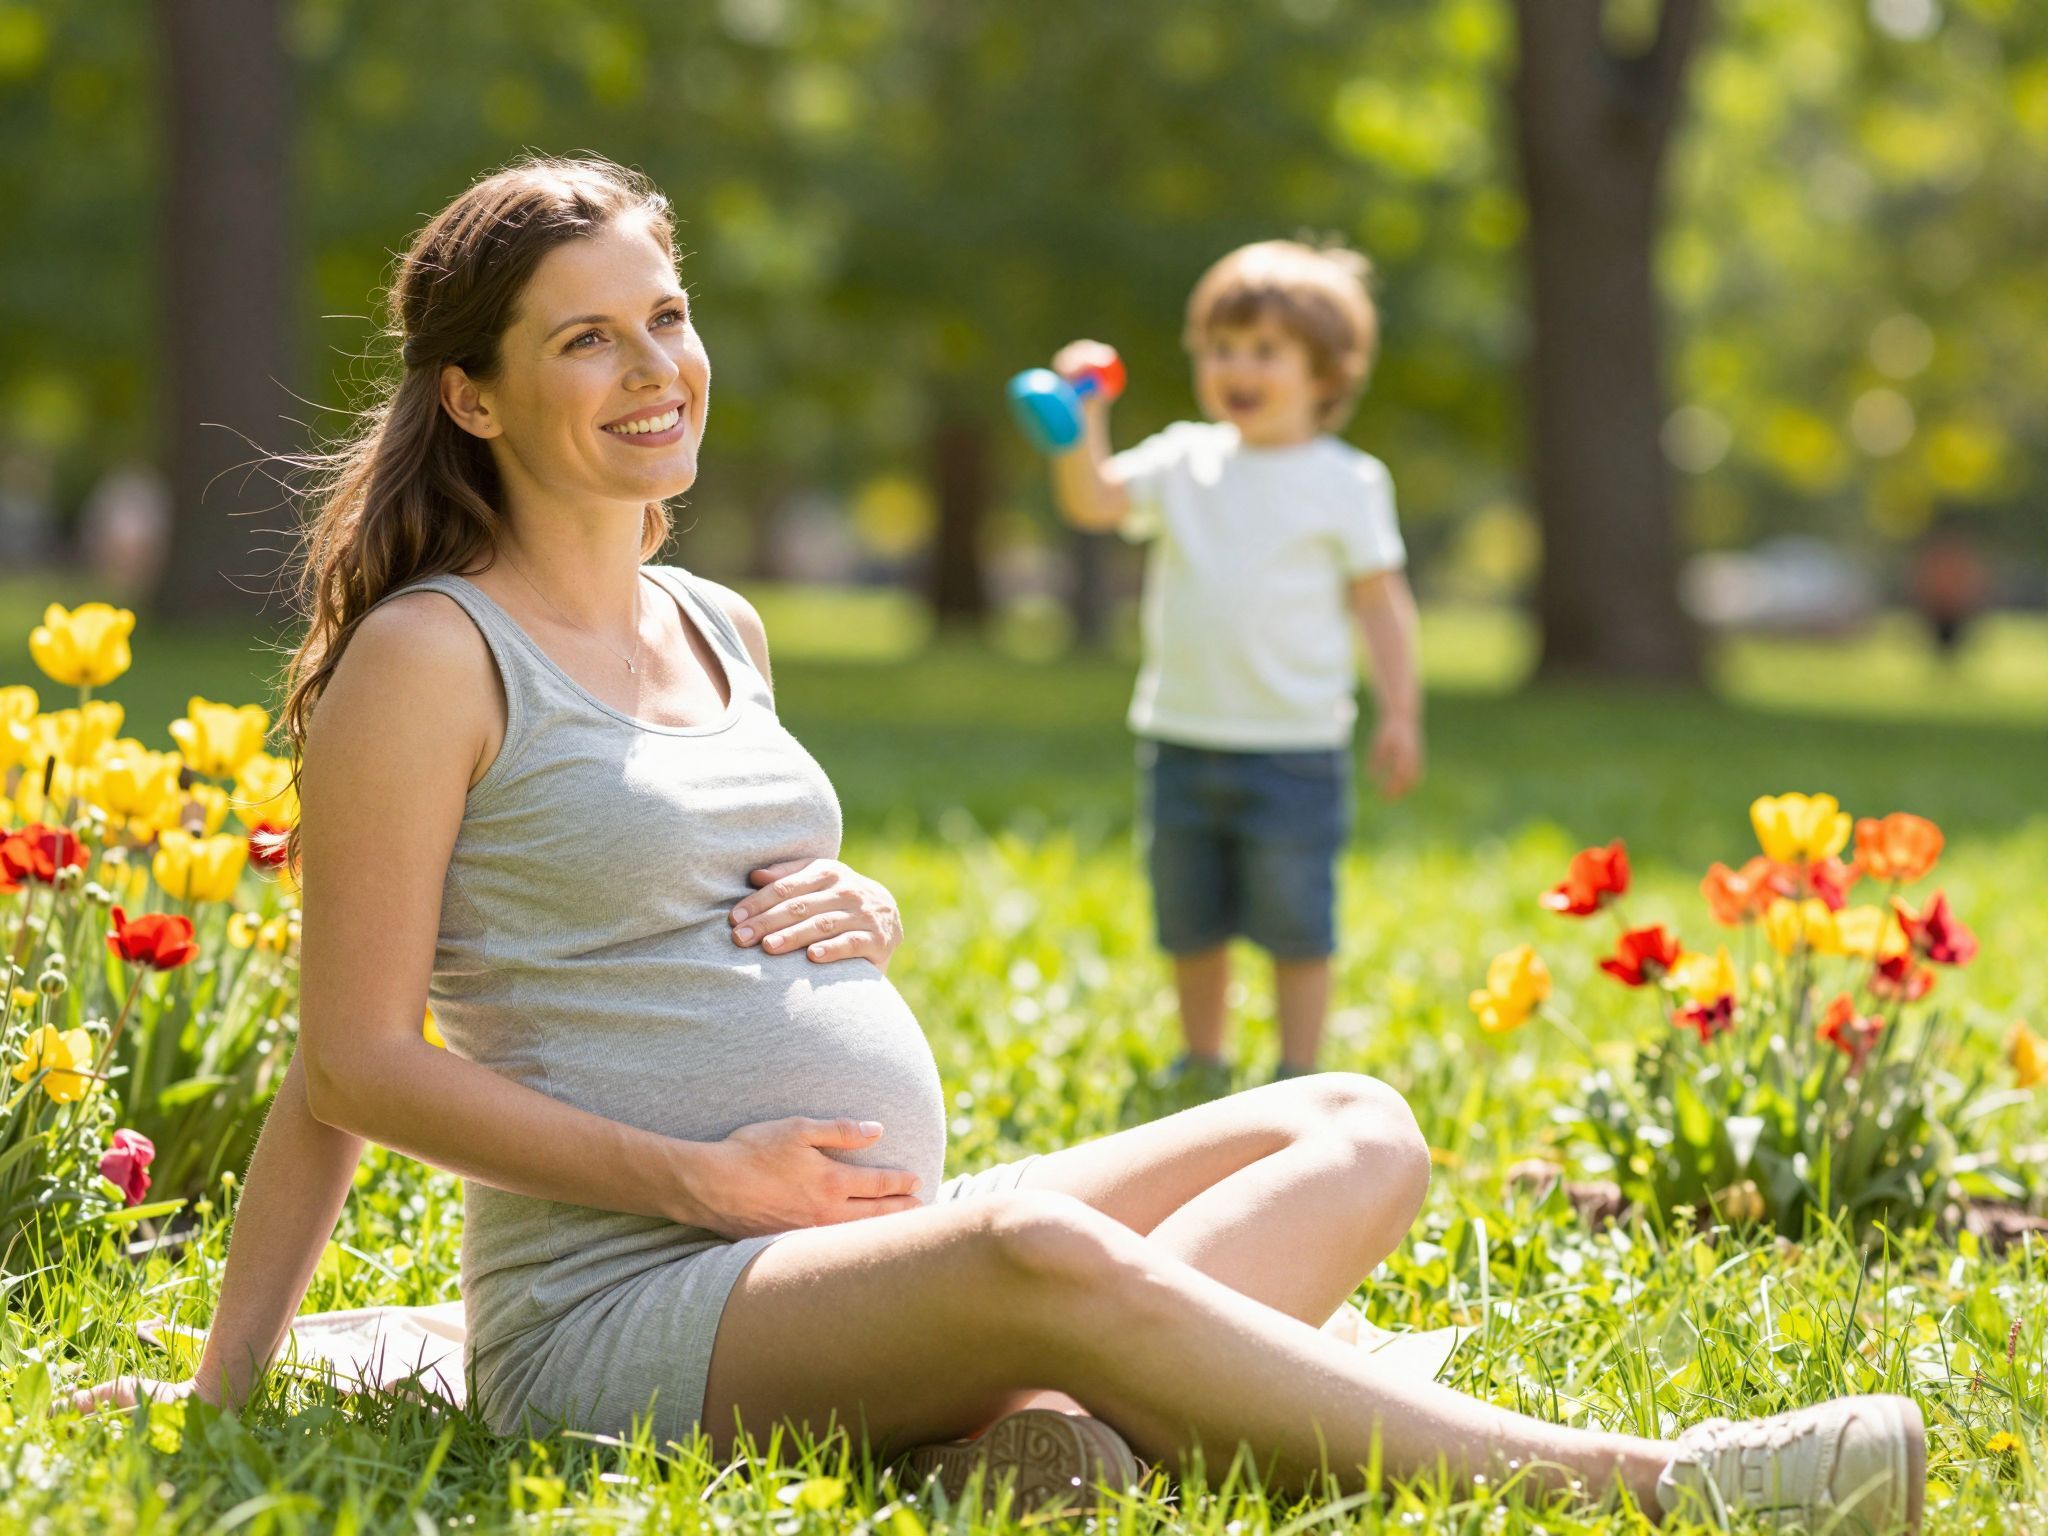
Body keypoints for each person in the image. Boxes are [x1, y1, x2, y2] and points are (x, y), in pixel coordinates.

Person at [74, 158, 1925, 1533]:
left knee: (1354, 1120)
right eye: (586, 338)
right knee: (1038, 1238)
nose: (655, 366)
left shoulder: (716, 619)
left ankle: (1046, 1431)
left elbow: (675, 888)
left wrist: (850, 902)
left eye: (666, 314)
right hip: (627, 1311)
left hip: (846, 1248)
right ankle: (1641, 1488)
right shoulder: (428, 655)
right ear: (473, 397)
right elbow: (350, 1067)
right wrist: (688, 1187)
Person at [1047, 241, 1421, 1089]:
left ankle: (1299, 1070)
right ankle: (1203, 1056)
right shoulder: (1184, 460)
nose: (1236, 368)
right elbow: (1094, 499)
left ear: (1326, 373)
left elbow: (1381, 603)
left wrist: (1401, 711)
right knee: (1191, 916)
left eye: (1264, 351)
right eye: (1221, 348)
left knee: (1298, 920)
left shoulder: (1347, 481)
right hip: (1181, 733)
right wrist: (1081, 420)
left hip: (1293, 745)